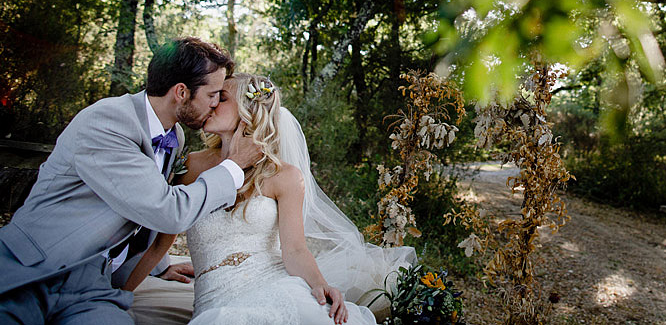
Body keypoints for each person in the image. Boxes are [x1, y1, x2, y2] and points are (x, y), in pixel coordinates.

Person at [0, 37, 263, 324]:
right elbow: (166, 210)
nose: (215, 104)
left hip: (92, 287)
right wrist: (233, 167)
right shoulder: (107, 121)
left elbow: (140, 204)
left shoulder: (175, 137)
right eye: (213, 94)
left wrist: (158, 265)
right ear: (181, 92)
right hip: (32, 270)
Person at [128, 73, 415, 324]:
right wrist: (116, 295)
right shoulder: (189, 166)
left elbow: (295, 251)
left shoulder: (284, 176)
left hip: (274, 285)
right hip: (215, 300)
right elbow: (157, 244)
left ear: (247, 110)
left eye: (221, 98)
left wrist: (321, 285)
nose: (211, 103)